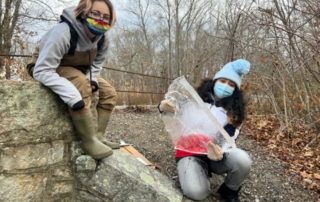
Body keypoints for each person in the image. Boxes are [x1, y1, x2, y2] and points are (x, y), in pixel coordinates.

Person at [32, 0, 119, 160]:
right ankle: (88, 141)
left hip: (80, 68)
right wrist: (71, 95)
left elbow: (97, 62)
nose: (101, 20)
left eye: (106, 17)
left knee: (109, 93)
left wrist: (92, 79)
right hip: (49, 65)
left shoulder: (103, 38)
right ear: (84, 12)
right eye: (96, 14)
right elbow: (42, 70)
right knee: (80, 84)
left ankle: (99, 137)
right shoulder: (63, 33)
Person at [159, 59, 252, 201]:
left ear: (235, 90)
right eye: (223, 81)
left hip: (214, 156)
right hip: (188, 153)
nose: (226, 86)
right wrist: (164, 107)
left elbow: (229, 139)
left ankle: (229, 190)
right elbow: (173, 108)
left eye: (231, 84)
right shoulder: (193, 99)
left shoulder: (233, 113)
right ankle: (197, 172)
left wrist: (221, 150)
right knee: (197, 193)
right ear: (215, 81)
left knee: (242, 160)